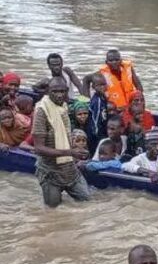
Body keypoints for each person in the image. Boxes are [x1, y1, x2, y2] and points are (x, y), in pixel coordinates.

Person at [32, 77, 89, 207]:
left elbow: (84, 97)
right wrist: (70, 152)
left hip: (70, 168)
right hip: (50, 171)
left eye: (62, 91)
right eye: (55, 91)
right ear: (48, 91)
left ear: (67, 91)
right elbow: (38, 148)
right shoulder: (42, 111)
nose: (59, 95)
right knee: (53, 210)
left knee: (87, 201)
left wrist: (75, 153)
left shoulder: (63, 106)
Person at [88, 72, 109, 150]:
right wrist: (99, 136)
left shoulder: (103, 97)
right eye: (99, 85)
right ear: (93, 87)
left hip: (103, 130)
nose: (102, 87)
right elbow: (95, 121)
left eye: (104, 84)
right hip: (96, 135)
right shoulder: (97, 101)